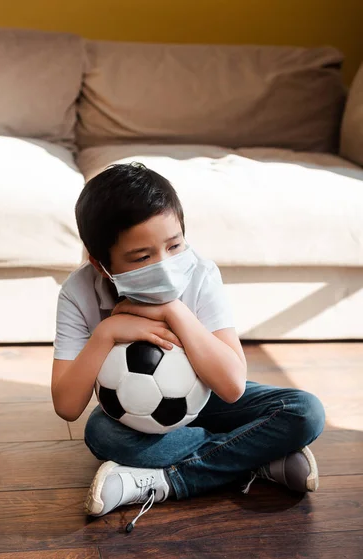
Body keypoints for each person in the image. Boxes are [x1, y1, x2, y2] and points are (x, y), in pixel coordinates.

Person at [51, 162, 326, 533]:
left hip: (211, 397)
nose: (165, 264)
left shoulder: (199, 274)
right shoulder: (78, 292)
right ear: (101, 265)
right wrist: (108, 332)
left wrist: (173, 310)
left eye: (175, 245)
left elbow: (231, 386)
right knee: (100, 433)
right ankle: (259, 459)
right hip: (140, 413)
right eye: (142, 257)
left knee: (305, 411)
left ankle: (164, 482)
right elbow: (68, 406)